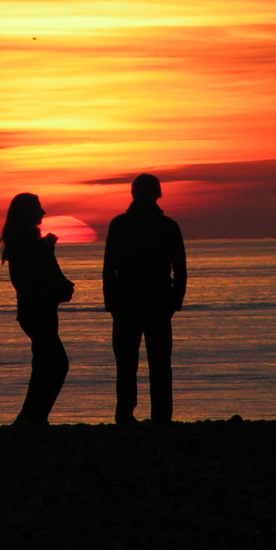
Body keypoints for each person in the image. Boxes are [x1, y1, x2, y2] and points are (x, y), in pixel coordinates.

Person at [103, 174, 187, 424]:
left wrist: (112, 303)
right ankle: (160, 416)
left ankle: (125, 414)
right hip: (156, 302)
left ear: (133, 194)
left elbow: (109, 268)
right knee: (160, 364)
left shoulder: (120, 224)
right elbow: (180, 269)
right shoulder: (168, 226)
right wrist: (174, 302)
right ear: (158, 194)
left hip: (129, 303)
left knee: (127, 365)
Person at [1, 193, 75, 425]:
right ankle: (33, 416)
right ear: (26, 213)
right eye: (37, 208)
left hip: (35, 311)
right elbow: (35, 277)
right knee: (56, 363)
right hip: (37, 311)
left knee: (44, 364)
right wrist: (48, 249)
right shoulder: (25, 241)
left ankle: (33, 417)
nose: (43, 213)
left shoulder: (25, 240)